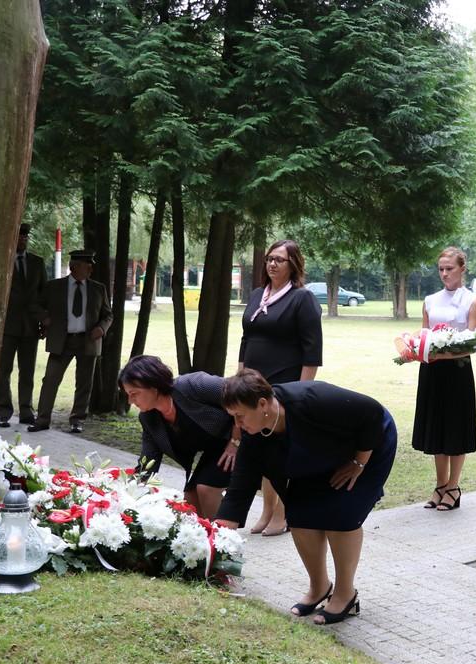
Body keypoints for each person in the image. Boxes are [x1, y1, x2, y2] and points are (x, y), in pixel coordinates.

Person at [216, 370, 396, 625]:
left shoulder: (310, 399)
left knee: (341, 515)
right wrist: (216, 544)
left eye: (239, 415)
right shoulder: (254, 436)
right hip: (323, 456)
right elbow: (238, 490)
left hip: (368, 444)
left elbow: (372, 413)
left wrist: (359, 462)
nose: (236, 424)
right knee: (300, 514)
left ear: (263, 404)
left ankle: (346, 594)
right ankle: (319, 587)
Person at [238, 239, 323, 536]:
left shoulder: (302, 298)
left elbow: (312, 351)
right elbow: (246, 339)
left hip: (284, 385)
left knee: (279, 450)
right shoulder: (257, 294)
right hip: (253, 385)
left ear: (293, 264)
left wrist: (302, 393)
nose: (272, 264)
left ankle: (283, 513)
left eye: (279, 260)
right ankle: (266, 510)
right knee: (261, 448)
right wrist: (240, 377)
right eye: (269, 259)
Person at [119, 356, 237, 518]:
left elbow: (241, 395)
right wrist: (128, 494)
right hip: (215, 448)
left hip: (246, 434)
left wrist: (236, 441)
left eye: (134, 393)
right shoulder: (149, 418)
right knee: (191, 499)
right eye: (128, 394)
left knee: (206, 489)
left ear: (153, 386)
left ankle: (222, 533)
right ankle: (206, 533)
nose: (130, 401)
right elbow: (148, 461)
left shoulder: (192, 385)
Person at [412, 247, 476, 511]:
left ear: (462, 269)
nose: (444, 273)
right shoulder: (430, 300)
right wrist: (415, 349)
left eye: (449, 268)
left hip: (457, 371)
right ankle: (440, 484)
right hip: (432, 370)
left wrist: (444, 354)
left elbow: (473, 343)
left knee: (455, 427)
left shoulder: (472, 301)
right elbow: (425, 334)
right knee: (436, 427)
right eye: (441, 269)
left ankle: (454, 486)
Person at [28, 249, 112, 434]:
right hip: (61, 341)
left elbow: (108, 315)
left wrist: (102, 328)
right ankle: (42, 420)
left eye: (91, 266)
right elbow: (35, 305)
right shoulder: (54, 287)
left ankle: (77, 420)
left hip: (88, 341)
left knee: (84, 383)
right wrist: (44, 318)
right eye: (87, 266)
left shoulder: (98, 289)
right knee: (50, 380)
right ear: (74, 267)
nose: (90, 270)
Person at [0, 223, 47, 427]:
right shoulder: (2, 261)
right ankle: (3, 412)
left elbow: (43, 295)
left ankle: (26, 411)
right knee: (3, 371)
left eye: (25, 237)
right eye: (19, 237)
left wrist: (43, 320)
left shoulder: (37, 262)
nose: (23, 240)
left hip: (30, 327)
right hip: (7, 327)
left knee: (27, 372)